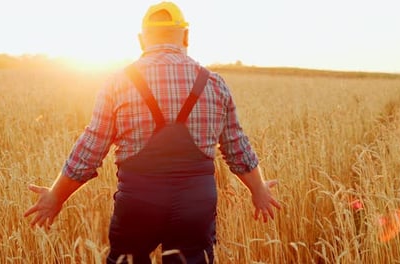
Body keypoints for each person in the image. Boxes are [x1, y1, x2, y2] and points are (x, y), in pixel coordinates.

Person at [23, 2, 281, 263]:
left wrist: (56, 196)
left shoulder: (118, 82)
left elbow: (90, 149)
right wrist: (258, 189)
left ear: (141, 40)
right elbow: (237, 147)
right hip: (196, 206)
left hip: (137, 204)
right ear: (186, 36)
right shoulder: (214, 83)